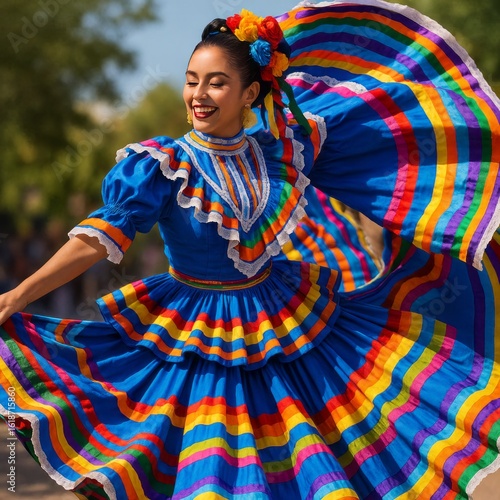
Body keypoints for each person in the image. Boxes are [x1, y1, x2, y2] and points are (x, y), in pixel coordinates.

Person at [1, 1, 499, 498]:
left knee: (321, 450)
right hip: (197, 333)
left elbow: (375, 128)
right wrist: (20, 294)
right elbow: (96, 239)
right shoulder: (161, 164)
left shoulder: (282, 150)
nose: (198, 95)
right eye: (192, 80)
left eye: (216, 82)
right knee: (214, 471)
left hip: (287, 322)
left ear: (250, 93)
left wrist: (447, 203)